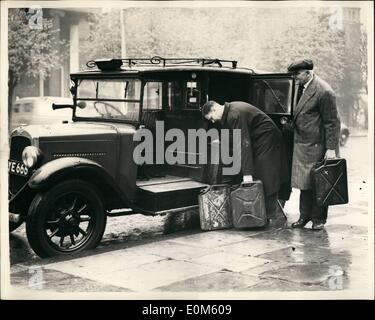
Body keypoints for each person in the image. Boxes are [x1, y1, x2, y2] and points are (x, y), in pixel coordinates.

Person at [201, 100, 289, 226]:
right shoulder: (232, 111)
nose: (213, 121)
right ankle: (264, 214)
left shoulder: (234, 115)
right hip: (261, 138)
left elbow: (243, 143)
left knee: (267, 174)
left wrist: (247, 174)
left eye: (211, 118)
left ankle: (270, 216)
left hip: (267, 139)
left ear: (214, 109)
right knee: (264, 174)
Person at [287, 59, 341, 230]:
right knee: (304, 184)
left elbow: (332, 122)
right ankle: (304, 216)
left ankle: (318, 219)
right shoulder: (300, 88)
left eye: (297, 74)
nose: (294, 78)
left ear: (308, 73)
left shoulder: (324, 91)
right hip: (303, 144)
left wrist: (331, 149)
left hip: (317, 145)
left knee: (318, 183)